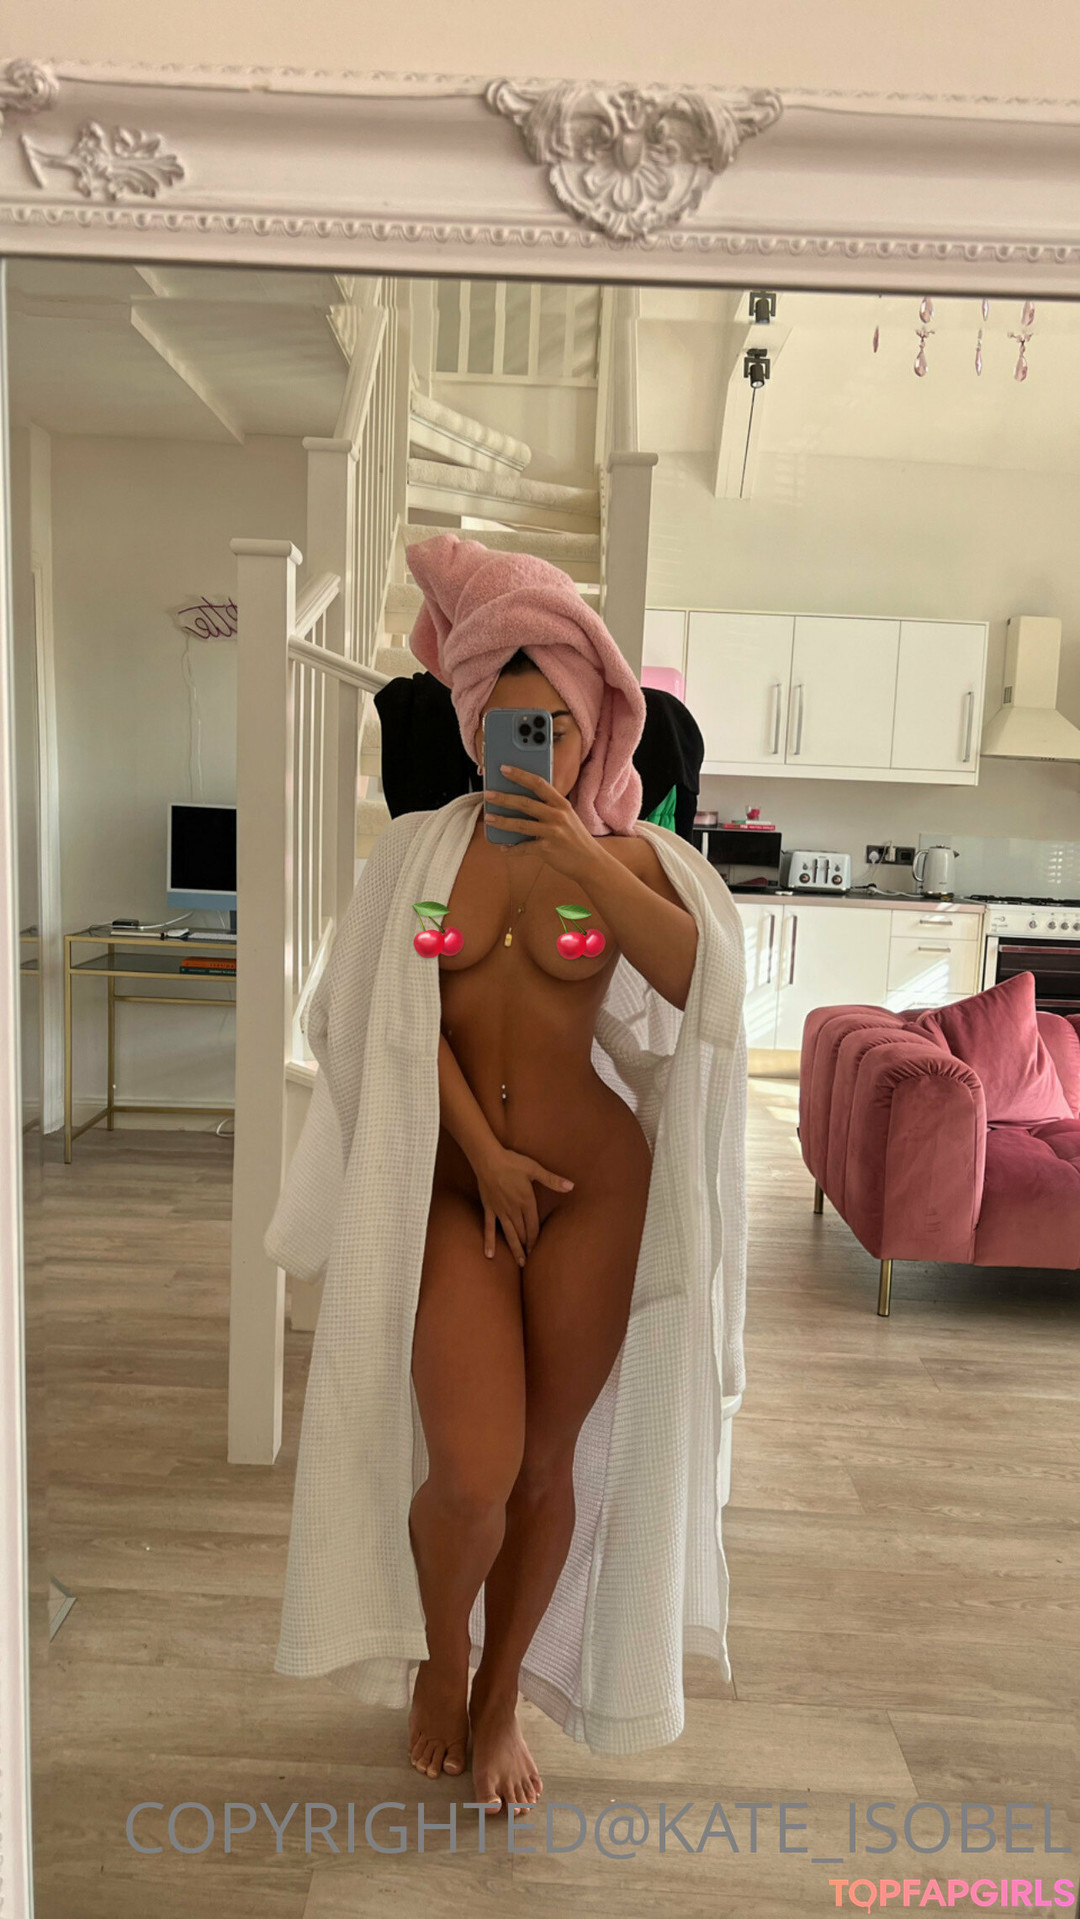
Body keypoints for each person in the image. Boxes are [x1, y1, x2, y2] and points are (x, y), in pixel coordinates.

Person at [262, 533, 748, 1824]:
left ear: (592, 737)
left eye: (554, 731)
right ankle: (443, 1653)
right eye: (503, 730)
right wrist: (482, 1155)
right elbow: (384, 1012)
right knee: (472, 1474)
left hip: (593, 1190)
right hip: (460, 1187)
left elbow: (706, 991)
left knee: (543, 1467)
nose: (524, 753)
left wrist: (583, 851)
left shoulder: (633, 865)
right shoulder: (423, 861)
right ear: (473, 727)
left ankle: (502, 1693)